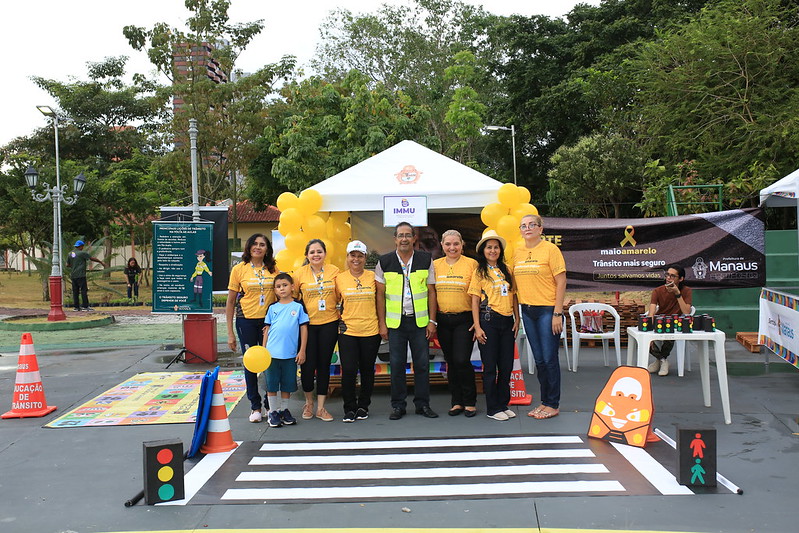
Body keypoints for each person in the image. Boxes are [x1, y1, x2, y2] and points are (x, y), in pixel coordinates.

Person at [375, 221, 439, 420]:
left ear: (414, 238)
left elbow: (431, 292)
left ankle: (422, 404)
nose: (404, 239)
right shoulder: (384, 262)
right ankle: (398, 406)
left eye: (407, 235)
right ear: (395, 239)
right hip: (396, 324)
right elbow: (379, 295)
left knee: (421, 365)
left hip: (420, 322)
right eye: (400, 235)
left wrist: (432, 321)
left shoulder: (425, 259)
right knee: (397, 365)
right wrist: (382, 323)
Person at [512, 214, 566, 420]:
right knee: (540, 360)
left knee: (550, 358)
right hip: (527, 310)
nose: (528, 228)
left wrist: (557, 313)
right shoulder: (516, 252)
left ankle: (553, 403)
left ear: (540, 229)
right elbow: (514, 287)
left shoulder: (551, 250)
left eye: (532, 225)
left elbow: (561, 281)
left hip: (547, 310)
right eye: (523, 225)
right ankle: (545, 402)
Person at [226, 233, 278, 423]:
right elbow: (230, 302)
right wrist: (230, 333)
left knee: (269, 363)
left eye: (262, 244)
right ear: (249, 247)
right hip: (246, 321)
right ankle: (255, 406)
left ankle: (269, 404)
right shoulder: (239, 269)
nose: (258, 247)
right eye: (255, 244)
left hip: (268, 322)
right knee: (251, 364)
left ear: (267, 249)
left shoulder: (273, 268)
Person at [469, 231, 519, 421]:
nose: (493, 250)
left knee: (506, 366)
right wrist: (477, 326)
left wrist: (518, 318)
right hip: (488, 321)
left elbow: (514, 295)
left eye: (496, 247)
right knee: (490, 367)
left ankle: (502, 403)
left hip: (507, 322)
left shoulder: (506, 269)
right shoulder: (479, 271)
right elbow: (474, 300)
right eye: (489, 247)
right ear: (483, 250)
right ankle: (492, 408)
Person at [293, 239, 340, 422]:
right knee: (306, 366)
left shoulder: (334, 271)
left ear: (325, 254)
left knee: (323, 366)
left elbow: (340, 294)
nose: (316, 255)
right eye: (312, 252)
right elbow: (294, 298)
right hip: (307, 327)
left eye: (319, 251)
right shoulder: (299, 274)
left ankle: (321, 408)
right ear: (307, 255)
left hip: (329, 323)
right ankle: (309, 403)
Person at [433, 229, 478, 417]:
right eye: (448, 244)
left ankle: (470, 401)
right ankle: (456, 401)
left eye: (456, 244)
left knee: (461, 359)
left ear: (462, 245)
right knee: (450, 361)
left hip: (464, 319)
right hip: (443, 320)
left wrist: (477, 322)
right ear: (442, 246)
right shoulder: (434, 265)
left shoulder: (472, 264)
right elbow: (431, 294)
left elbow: (477, 294)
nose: (452, 247)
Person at [335, 240, 381, 423]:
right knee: (349, 370)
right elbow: (334, 303)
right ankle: (349, 408)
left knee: (367, 370)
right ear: (347, 257)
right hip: (348, 332)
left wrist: (382, 325)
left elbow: (380, 302)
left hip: (371, 330)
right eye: (352, 255)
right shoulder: (339, 278)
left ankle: (363, 406)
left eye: (360, 256)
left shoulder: (373, 277)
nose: (356, 259)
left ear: (365, 258)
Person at [263, 272, 309, 428]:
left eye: (285, 285)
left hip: (290, 355)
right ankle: (273, 412)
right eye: (278, 286)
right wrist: (264, 351)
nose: (281, 289)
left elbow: (303, 329)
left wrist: (301, 350)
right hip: (271, 355)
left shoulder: (298, 306)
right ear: (275, 290)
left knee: (287, 384)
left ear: (292, 287)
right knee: (271, 385)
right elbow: (267, 330)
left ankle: (284, 410)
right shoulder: (272, 308)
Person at [647, 264, 693, 376]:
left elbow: (686, 312)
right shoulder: (658, 291)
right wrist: (648, 328)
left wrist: (677, 294)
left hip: (676, 323)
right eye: (667, 275)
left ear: (681, 279)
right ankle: (662, 360)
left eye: (672, 276)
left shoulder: (686, 291)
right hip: (659, 321)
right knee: (642, 337)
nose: (668, 278)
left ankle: (660, 361)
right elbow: (651, 311)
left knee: (670, 331)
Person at [66, 240, 105, 311]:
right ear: (81, 246)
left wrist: (74, 265)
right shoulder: (82, 253)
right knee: (83, 290)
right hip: (81, 275)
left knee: (75, 291)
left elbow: (67, 265)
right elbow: (92, 258)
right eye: (82, 246)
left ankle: (76, 307)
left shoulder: (70, 254)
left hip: (73, 275)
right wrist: (100, 262)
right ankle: (85, 306)